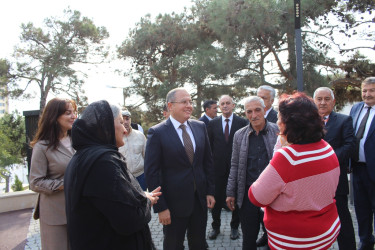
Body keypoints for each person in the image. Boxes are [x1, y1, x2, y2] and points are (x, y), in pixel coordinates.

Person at [248, 92, 341, 250]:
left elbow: (256, 197)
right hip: (326, 232)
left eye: (279, 117)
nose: (277, 122)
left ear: (288, 123)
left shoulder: (288, 157)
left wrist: (281, 150)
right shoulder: (327, 148)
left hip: (294, 239)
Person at [64, 101, 161, 250]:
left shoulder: (84, 156)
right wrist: (146, 200)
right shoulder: (103, 163)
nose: (124, 129)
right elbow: (129, 220)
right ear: (105, 126)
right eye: (120, 122)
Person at [144, 87, 215, 250]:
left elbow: (208, 162)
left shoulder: (200, 127)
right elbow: (152, 173)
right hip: (173, 205)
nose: (189, 105)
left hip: (199, 201)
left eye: (190, 101)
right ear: (170, 105)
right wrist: (161, 207)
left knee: (198, 243)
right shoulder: (157, 132)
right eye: (184, 102)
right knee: (173, 245)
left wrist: (210, 191)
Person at [226, 96, 278, 250]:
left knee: (273, 238)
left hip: (273, 197)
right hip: (249, 195)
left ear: (264, 111)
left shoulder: (278, 131)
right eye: (249, 111)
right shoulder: (239, 135)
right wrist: (230, 192)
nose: (253, 115)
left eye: (257, 110)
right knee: (248, 238)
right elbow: (234, 165)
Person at [29, 98, 77, 250]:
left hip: (78, 210)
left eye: (75, 112)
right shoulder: (42, 146)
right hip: (55, 215)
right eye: (68, 113)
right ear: (54, 116)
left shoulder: (77, 141)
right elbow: (35, 182)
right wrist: (64, 184)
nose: (74, 116)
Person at [314, 87, 356, 250]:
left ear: (333, 102)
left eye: (326, 99)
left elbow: (350, 146)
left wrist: (326, 159)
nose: (323, 102)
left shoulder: (344, 121)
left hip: (336, 183)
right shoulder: (307, 122)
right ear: (314, 101)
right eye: (319, 99)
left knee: (343, 221)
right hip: (312, 183)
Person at [207, 95, 247, 240]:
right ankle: (215, 227)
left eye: (228, 103)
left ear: (233, 105)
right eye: (222, 104)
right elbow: (209, 147)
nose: (225, 106)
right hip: (217, 170)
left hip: (236, 169)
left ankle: (235, 227)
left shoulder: (242, 122)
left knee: (236, 199)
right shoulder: (212, 124)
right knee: (216, 200)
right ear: (219, 107)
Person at [350, 77, 375, 250]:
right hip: (357, 169)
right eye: (364, 90)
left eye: (372, 90)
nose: (367, 94)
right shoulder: (356, 108)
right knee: (361, 208)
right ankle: (365, 241)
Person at [256, 85, 278, 246]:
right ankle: (265, 234)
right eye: (258, 96)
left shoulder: (278, 117)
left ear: (271, 100)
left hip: (273, 169)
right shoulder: (252, 115)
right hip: (255, 170)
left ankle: (273, 237)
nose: (260, 100)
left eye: (263, 98)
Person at [119, 110, 147, 190]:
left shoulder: (140, 136)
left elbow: (147, 156)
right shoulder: (115, 138)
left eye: (127, 119)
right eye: (122, 119)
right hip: (124, 178)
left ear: (130, 120)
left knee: (145, 201)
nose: (125, 122)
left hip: (141, 177)